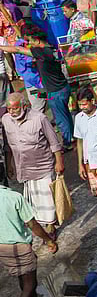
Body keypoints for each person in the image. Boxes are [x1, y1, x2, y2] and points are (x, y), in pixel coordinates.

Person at [0, 93, 65, 232]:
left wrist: (59, 162)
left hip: (43, 166)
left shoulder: (39, 118)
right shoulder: (6, 120)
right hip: (24, 167)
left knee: (48, 200)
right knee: (33, 201)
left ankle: (50, 227)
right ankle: (42, 225)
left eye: (15, 109)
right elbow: (7, 145)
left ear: (24, 106)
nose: (12, 112)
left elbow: (54, 142)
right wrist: (9, 164)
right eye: (9, 109)